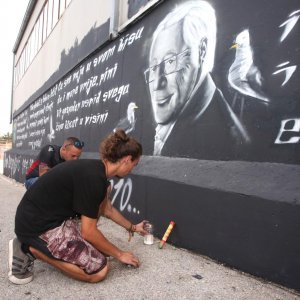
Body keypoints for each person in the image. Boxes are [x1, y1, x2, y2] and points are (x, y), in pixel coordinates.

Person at [8, 129, 146, 285]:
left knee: (102, 250)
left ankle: (37, 244)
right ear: (126, 159)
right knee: (99, 271)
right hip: (36, 226)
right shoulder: (94, 179)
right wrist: (120, 254)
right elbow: (89, 233)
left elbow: (107, 210)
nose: (131, 170)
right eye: (134, 165)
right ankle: (28, 248)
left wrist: (133, 227)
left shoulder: (98, 174)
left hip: (47, 217)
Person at [144, 0, 250, 159]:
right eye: (153, 68)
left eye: (170, 61)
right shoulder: (197, 119)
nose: (157, 83)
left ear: (201, 51)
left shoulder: (219, 137)